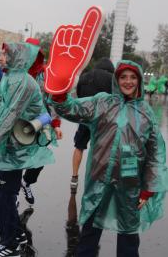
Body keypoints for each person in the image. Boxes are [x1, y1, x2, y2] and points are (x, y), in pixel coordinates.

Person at [50, 60, 168, 256]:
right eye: (123, 77)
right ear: (116, 79)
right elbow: (72, 109)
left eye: (133, 77)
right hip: (98, 179)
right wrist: (60, 94)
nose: (128, 81)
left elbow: (156, 154)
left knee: (128, 239)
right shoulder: (103, 102)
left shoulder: (146, 113)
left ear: (139, 81)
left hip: (130, 185)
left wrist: (148, 188)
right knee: (89, 235)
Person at [0, 41, 55, 257]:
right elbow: (0, 111)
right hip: (7, 146)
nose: (2, 57)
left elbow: (10, 114)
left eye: (6, 53)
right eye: (2, 53)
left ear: (17, 57)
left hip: (16, 148)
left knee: (5, 194)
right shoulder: (13, 77)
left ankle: (9, 244)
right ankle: (17, 233)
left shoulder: (23, 81)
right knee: (0, 191)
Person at [20, 38, 63, 205]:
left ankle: (26, 182)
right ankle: (13, 195)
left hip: (41, 122)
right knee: (17, 159)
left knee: (40, 159)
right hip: (18, 124)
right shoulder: (16, 73)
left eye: (34, 54)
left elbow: (52, 101)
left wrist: (56, 125)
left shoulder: (45, 75)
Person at [70, 58, 114, 194]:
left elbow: (78, 94)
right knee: (100, 149)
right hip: (103, 119)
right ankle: (96, 178)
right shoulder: (112, 79)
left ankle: (74, 176)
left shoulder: (85, 76)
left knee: (79, 146)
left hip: (85, 117)